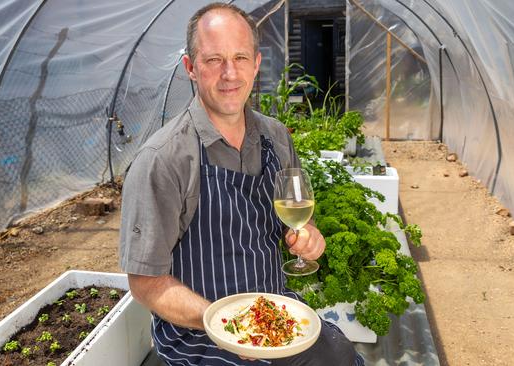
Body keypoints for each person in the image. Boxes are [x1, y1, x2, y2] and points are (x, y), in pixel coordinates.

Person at [119, 3, 363, 365]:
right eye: (214, 59)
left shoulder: (276, 137)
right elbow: (145, 282)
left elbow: (297, 222)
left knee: (340, 355)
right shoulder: (163, 160)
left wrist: (308, 237)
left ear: (257, 63)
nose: (230, 74)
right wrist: (222, 322)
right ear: (190, 68)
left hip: (272, 314)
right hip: (199, 334)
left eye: (240, 57)